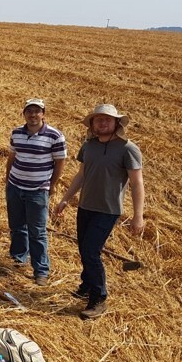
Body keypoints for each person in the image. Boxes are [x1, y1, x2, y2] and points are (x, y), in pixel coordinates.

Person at [54, 103, 145, 319]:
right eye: (98, 119)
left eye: (107, 119)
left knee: (91, 251)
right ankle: (86, 285)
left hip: (108, 209)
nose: (103, 123)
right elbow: (82, 175)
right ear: (93, 124)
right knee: (84, 248)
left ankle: (98, 298)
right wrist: (66, 199)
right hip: (85, 205)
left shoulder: (127, 148)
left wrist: (138, 216)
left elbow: (137, 183)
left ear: (116, 123)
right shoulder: (89, 145)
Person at [4, 99, 67, 286]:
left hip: (37, 190)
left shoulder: (55, 136)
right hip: (15, 187)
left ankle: (41, 271)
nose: (33, 115)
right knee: (17, 227)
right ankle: (18, 259)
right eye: (29, 111)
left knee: (37, 231)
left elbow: (60, 163)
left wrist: (52, 184)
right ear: (24, 114)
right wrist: (8, 180)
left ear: (43, 114)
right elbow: (12, 157)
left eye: (36, 111)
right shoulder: (17, 133)